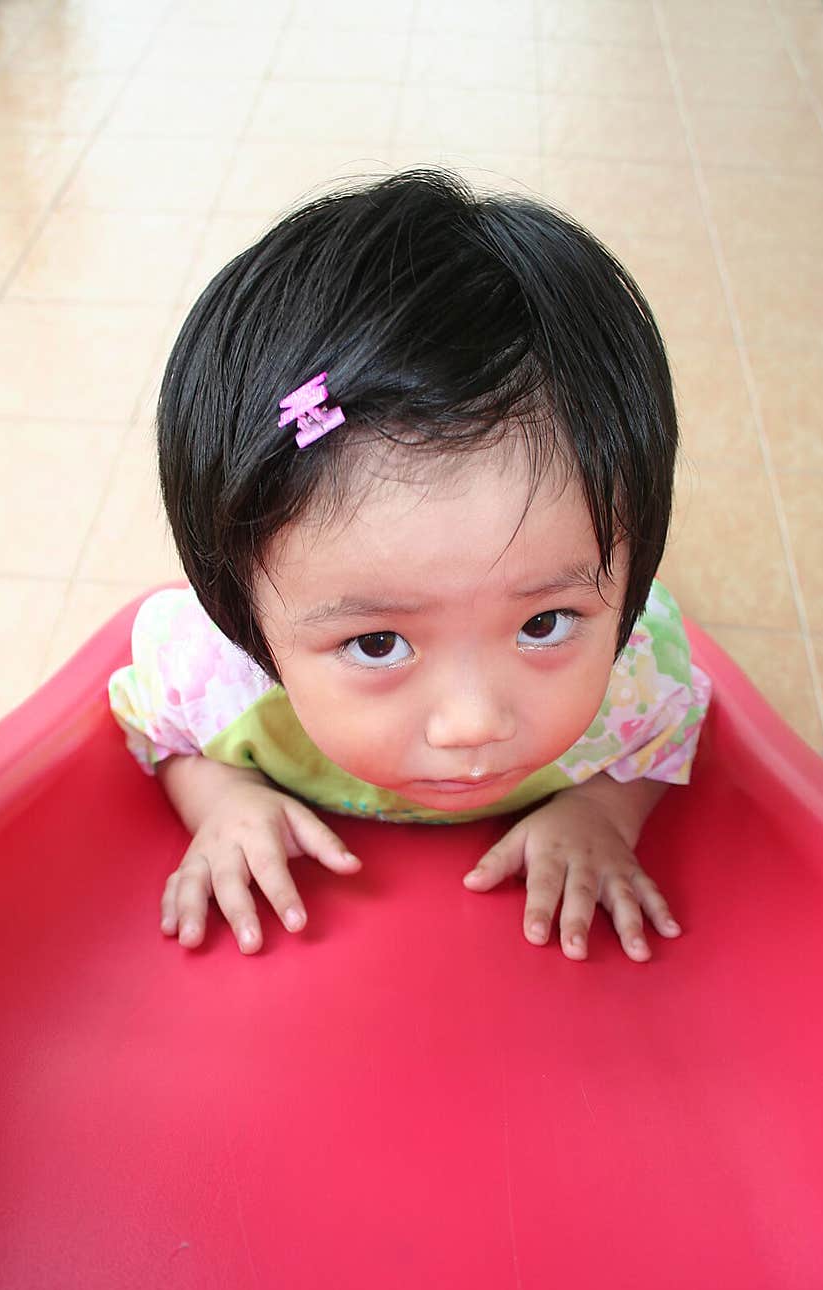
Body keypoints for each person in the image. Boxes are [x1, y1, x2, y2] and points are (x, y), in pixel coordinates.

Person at [109, 169, 711, 965]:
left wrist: (602, 813)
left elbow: (669, 726)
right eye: (378, 643)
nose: (472, 726)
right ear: (246, 621)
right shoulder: (217, 682)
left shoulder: (632, 679)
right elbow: (159, 726)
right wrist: (223, 800)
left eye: (542, 623)